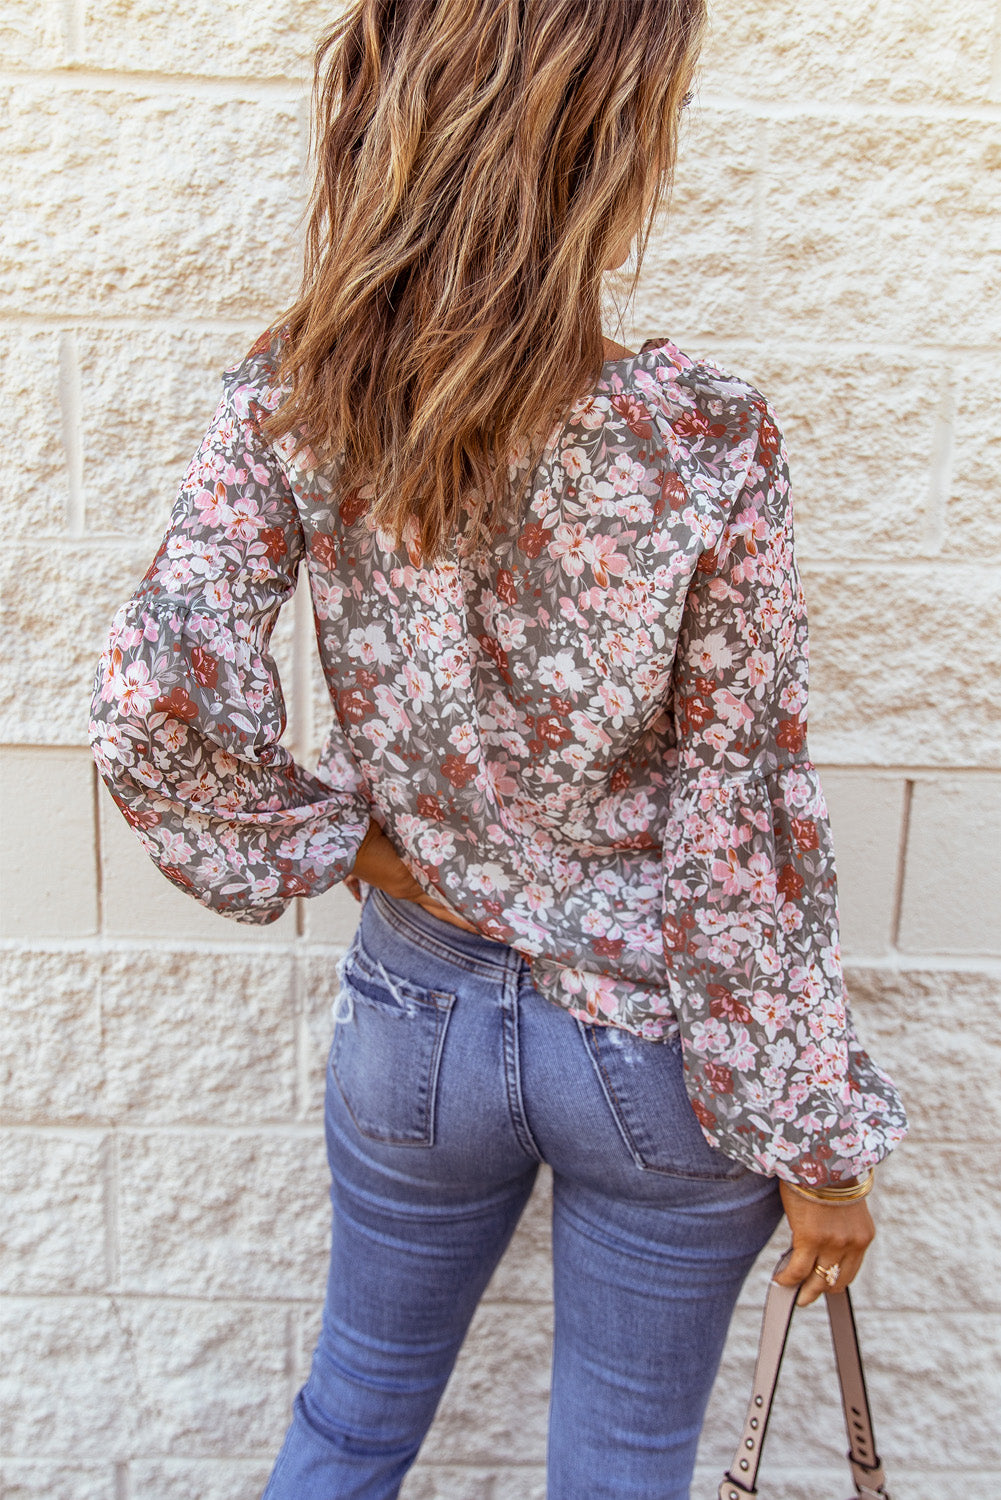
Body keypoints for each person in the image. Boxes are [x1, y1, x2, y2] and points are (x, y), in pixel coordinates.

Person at [88, 2, 908, 1495]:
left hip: (420, 1016)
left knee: (350, 1423)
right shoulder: (703, 439)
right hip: (656, 1051)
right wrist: (819, 1144)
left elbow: (153, 708)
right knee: (623, 1459)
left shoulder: (302, 391)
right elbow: (740, 829)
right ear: (605, 153)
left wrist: (355, 849)